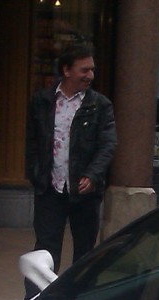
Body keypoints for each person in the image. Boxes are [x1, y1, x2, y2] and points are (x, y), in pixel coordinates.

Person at [26, 43, 118, 269]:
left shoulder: (100, 105)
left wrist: (93, 175)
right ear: (67, 70)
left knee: (85, 252)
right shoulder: (43, 101)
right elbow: (32, 142)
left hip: (84, 192)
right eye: (84, 70)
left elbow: (108, 144)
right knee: (45, 251)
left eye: (92, 70)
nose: (90, 75)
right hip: (50, 188)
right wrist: (36, 174)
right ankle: (36, 299)